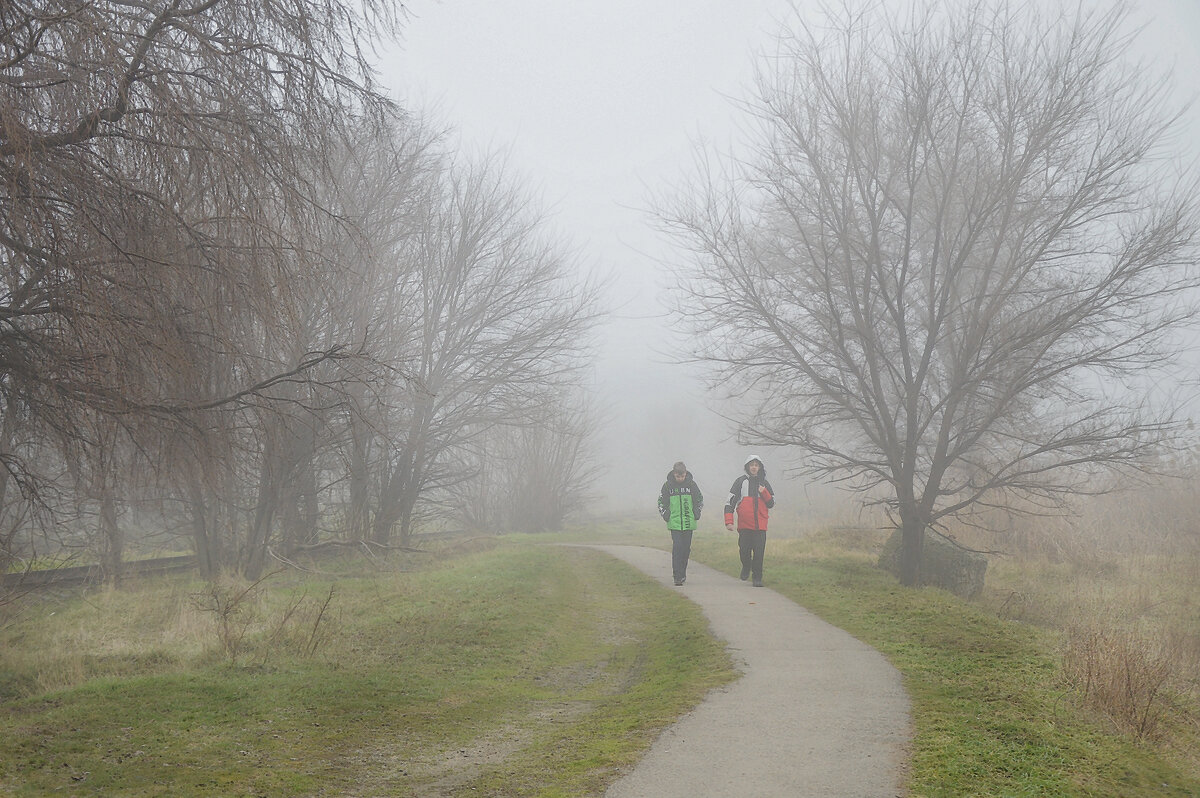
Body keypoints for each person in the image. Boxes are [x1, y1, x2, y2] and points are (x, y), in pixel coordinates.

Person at [724, 454, 775, 587]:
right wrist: (729, 521)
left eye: (756, 465)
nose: (754, 467)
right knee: (744, 551)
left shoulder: (764, 483)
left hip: (760, 526)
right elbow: (730, 502)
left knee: (759, 553)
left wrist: (764, 492)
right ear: (747, 467)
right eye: (751, 465)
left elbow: (771, 503)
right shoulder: (740, 481)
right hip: (745, 526)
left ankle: (757, 578)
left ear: (760, 467)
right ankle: (746, 566)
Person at [658, 461, 703, 586]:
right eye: (678, 476)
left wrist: (696, 512)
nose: (680, 478)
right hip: (675, 523)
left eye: (682, 476)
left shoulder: (692, 485)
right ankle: (677, 575)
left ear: (686, 473)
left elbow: (699, 499)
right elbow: (661, 502)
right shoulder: (667, 486)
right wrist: (666, 515)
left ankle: (682, 573)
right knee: (677, 547)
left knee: (686, 549)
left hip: (689, 523)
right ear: (674, 474)